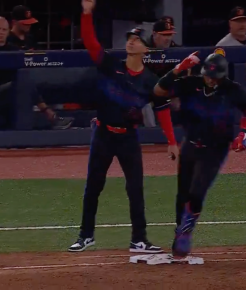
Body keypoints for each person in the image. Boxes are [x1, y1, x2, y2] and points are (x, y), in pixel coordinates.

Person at [68, 0, 179, 253]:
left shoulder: (151, 80)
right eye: (129, 38)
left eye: (136, 40)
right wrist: (86, 14)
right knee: (93, 186)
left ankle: (139, 239)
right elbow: (91, 44)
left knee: (135, 188)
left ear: (145, 50)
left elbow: (161, 109)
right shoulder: (111, 66)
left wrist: (171, 140)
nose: (131, 41)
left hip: (128, 137)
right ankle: (86, 235)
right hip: (104, 134)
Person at [153, 52, 246, 259]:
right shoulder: (191, 83)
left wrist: (244, 133)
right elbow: (158, 92)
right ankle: (179, 233)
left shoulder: (232, 89)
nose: (210, 79)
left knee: (197, 191)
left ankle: (186, 232)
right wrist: (177, 70)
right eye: (207, 75)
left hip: (215, 148)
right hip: (190, 144)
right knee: (182, 194)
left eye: (214, 76)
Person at [0, 16, 73, 130]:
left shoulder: (15, 52)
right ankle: (49, 114)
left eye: (4, 30)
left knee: (24, 80)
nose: (1, 33)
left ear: (8, 32)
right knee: (21, 84)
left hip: (14, 96)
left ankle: (42, 118)